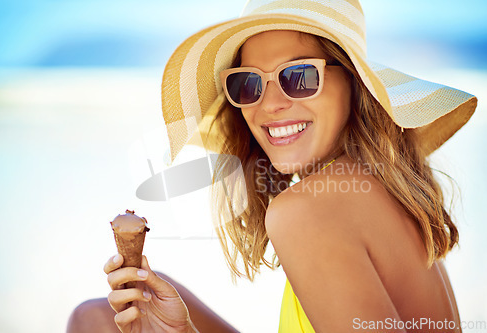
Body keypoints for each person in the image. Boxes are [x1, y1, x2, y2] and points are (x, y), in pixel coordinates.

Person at [67, 0, 478, 332]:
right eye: (247, 84)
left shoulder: (309, 210)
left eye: (299, 76)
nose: (270, 103)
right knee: (111, 313)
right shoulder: (367, 188)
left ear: (355, 84)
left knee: (92, 323)